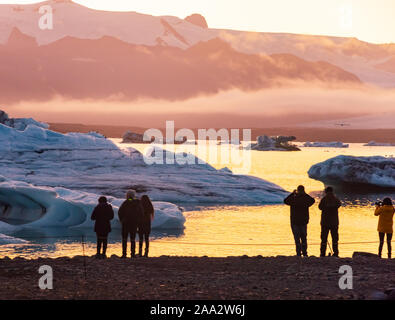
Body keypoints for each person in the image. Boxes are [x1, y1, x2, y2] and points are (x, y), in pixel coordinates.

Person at [284, 185, 315, 257]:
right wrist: (305, 194)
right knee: (304, 237)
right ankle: (304, 252)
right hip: (303, 221)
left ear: (297, 190)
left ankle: (298, 253)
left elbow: (285, 201)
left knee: (297, 238)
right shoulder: (305, 199)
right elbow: (312, 200)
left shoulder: (294, 198)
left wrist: (292, 193)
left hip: (294, 221)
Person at [118, 190, 143, 258]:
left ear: (128, 195)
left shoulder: (126, 202)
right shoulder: (137, 203)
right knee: (133, 239)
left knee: (124, 239)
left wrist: (122, 220)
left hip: (125, 223)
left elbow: (120, 212)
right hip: (134, 224)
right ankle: (132, 254)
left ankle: (124, 254)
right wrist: (138, 221)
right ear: (133, 195)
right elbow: (141, 213)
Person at [318, 187, 342, 257]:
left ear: (326, 191)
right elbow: (339, 204)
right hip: (334, 223)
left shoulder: (324, 199)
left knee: (324, 239)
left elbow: (320, 207)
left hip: (325, 223)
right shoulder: (336, 199)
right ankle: (336, 253)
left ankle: (322, 253)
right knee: (335, 239)